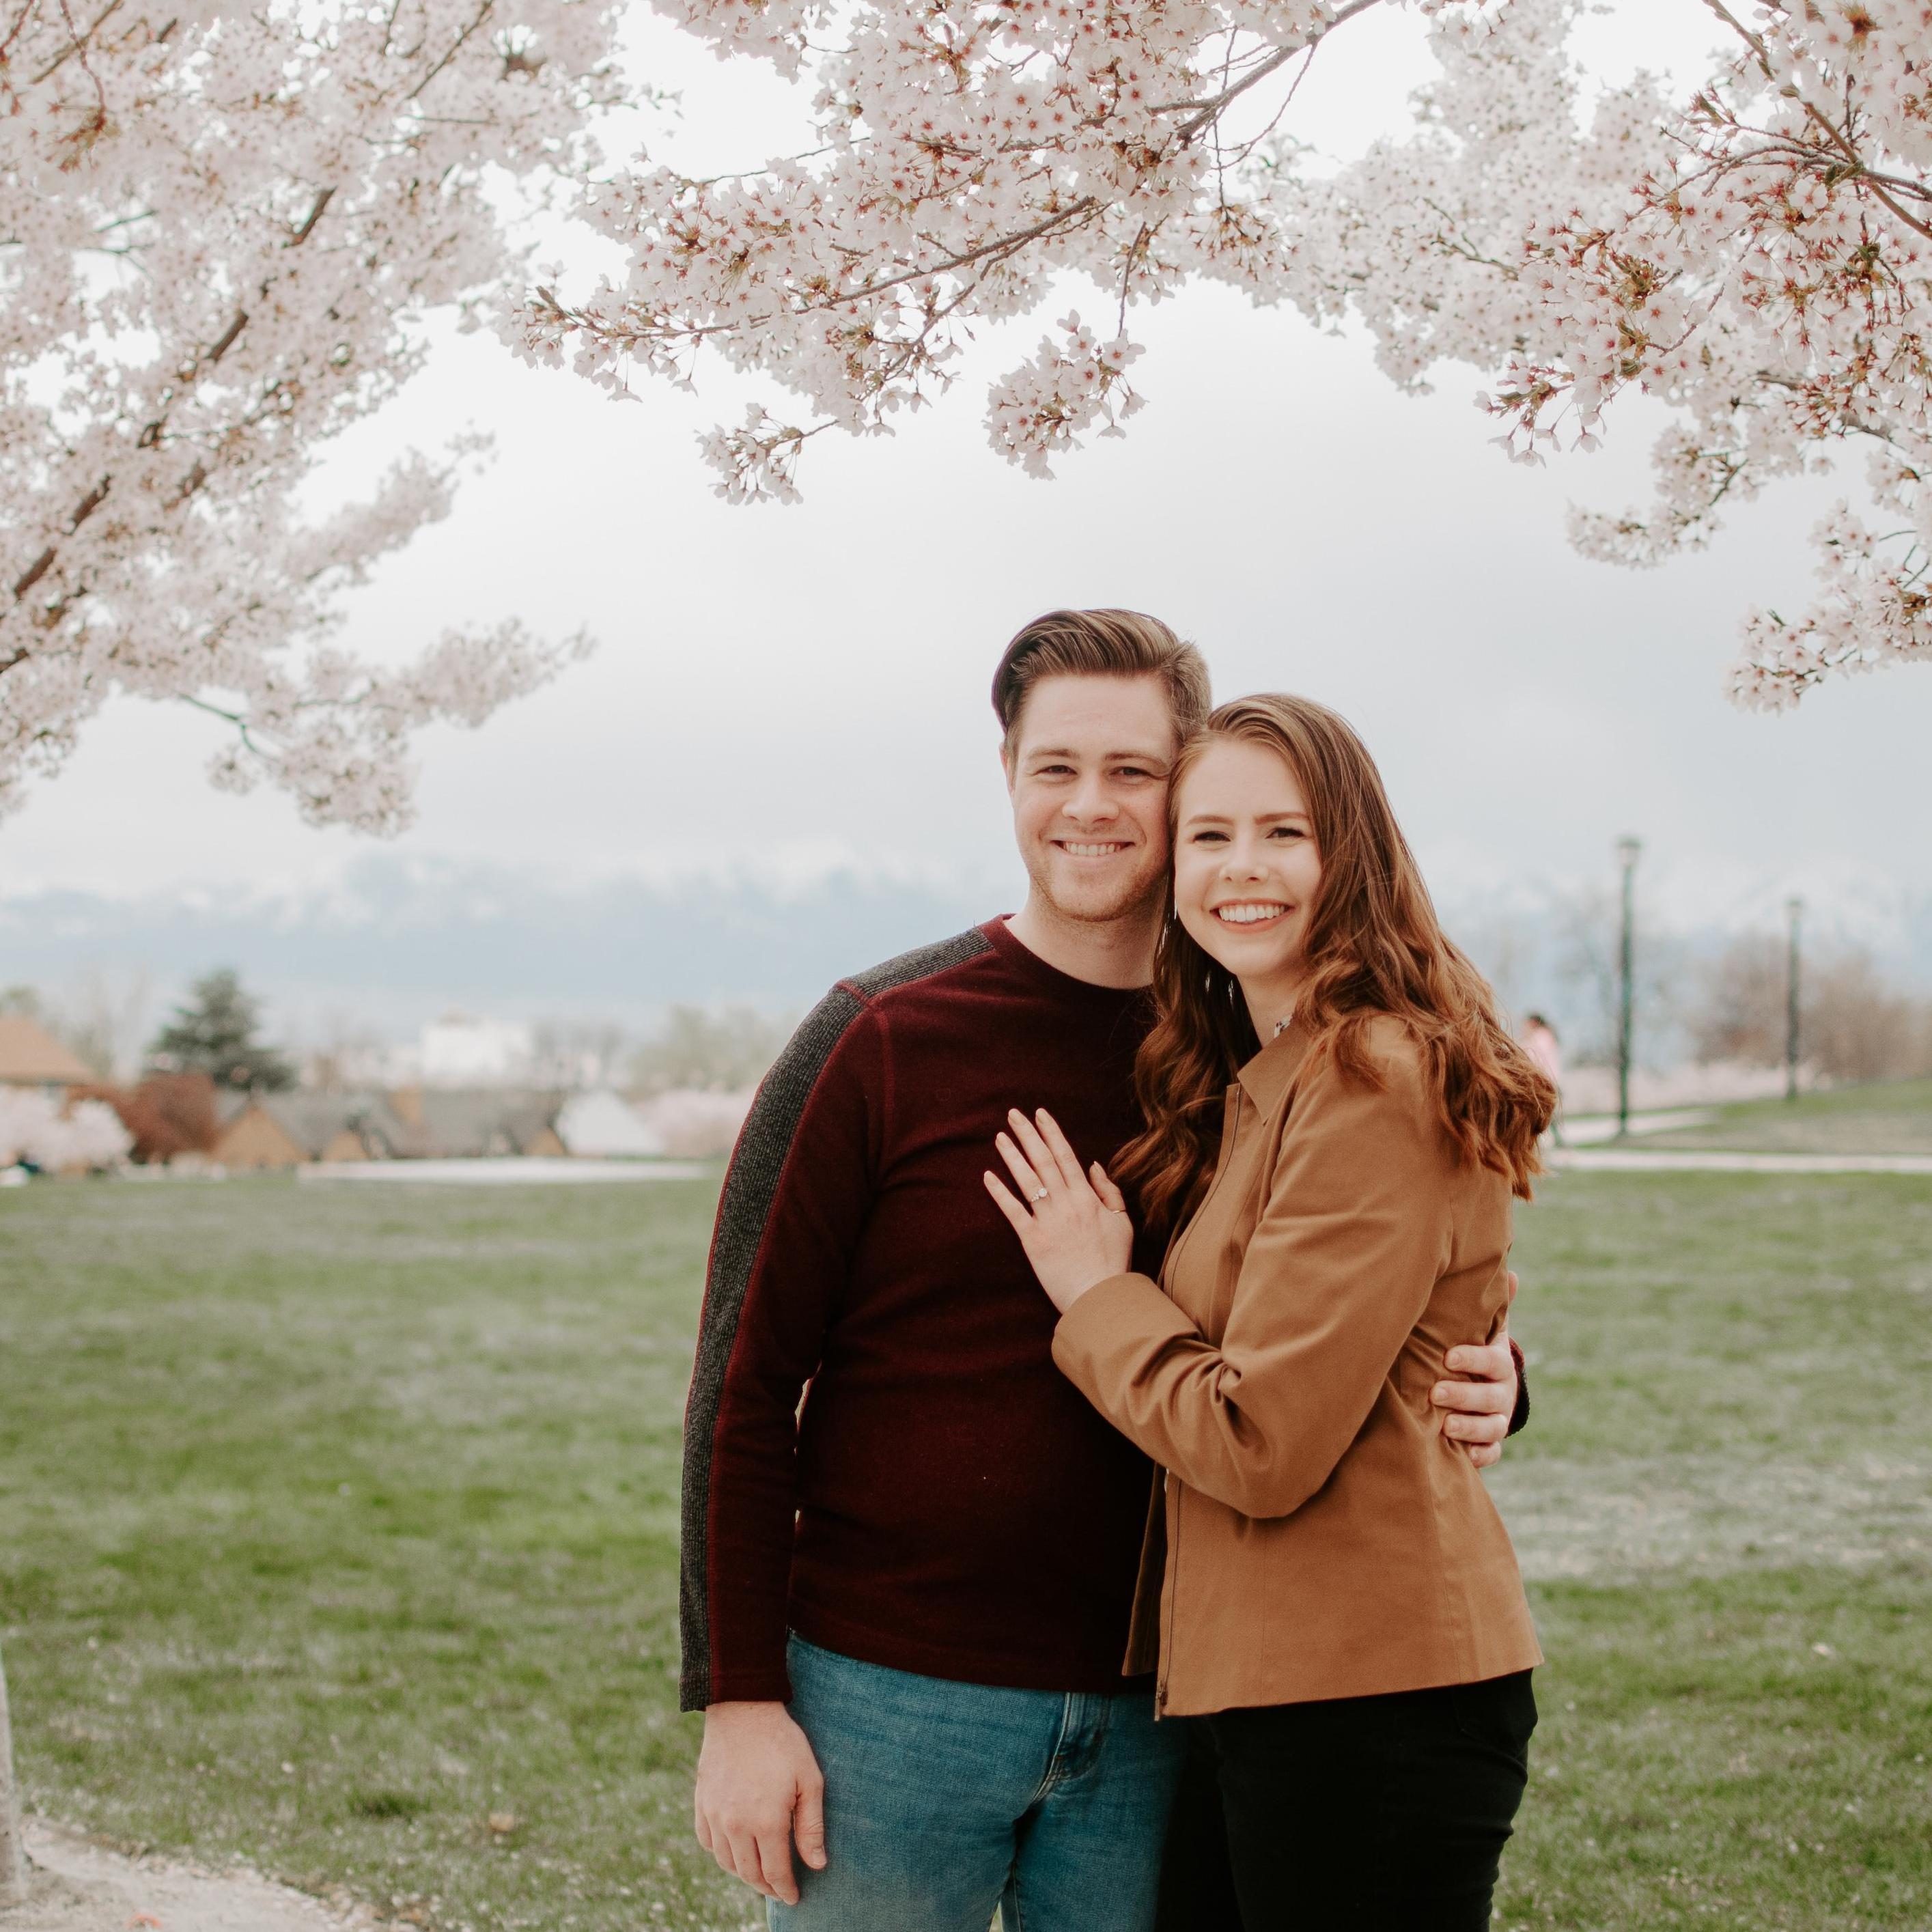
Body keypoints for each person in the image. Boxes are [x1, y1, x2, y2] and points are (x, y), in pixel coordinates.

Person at [682, 617, 1530, 1931]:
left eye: (1133, 772)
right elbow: (743, 1385)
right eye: (1054, 767)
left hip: (1166, 1708)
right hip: (897, 1697)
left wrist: (1491, 1375)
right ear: (1009, 778)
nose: (1091, 805)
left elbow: (1350, 1283)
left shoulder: (1247, 1040)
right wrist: (737, 1697)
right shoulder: (881, 1035)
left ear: (1185, 781)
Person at [986, 692, 1556, 1930]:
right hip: (1269, 1692)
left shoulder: (1366, 1074)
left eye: (1281, 834)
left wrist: (1094, 1295)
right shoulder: (1262, 1072)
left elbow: (1260, 1437)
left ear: (1346, 854)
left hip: (1369, 1699)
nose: (1240, 868)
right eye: (1206, 836)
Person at [1522, 1012, 1565, 1145]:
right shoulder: (1546, 1036)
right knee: (1548, 1114)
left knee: (1545, 1113)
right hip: (1550, 1080)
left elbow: (1530, 1055)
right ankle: (1558, 1142)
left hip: (1544, 1080)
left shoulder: (1541, 1037)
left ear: (1534, 1022)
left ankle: (1558, 1143)